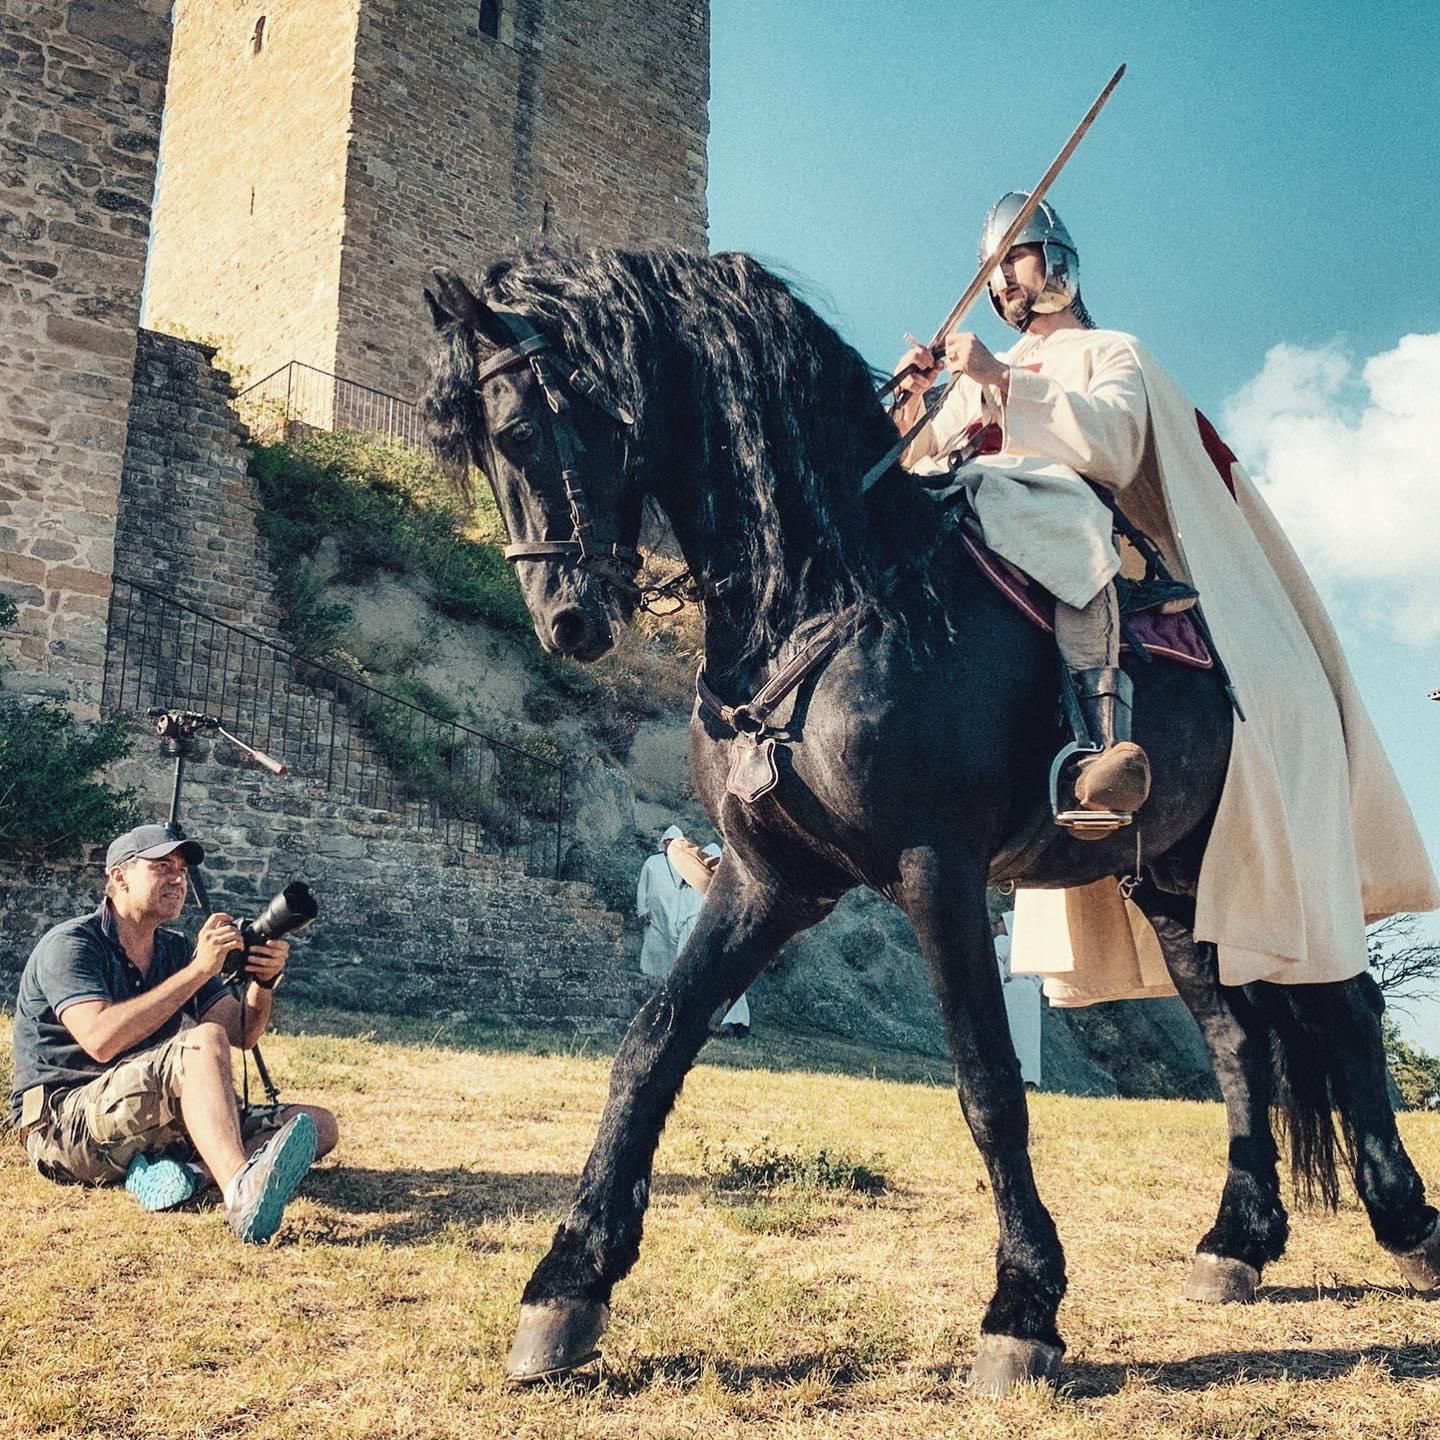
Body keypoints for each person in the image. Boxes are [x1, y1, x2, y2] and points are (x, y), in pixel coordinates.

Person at [893, 192, 1437, 1007]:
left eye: (1015, 256)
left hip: (1060, 513)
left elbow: (1110, 446)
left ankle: (1093, 740)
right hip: (971, 513)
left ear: (1058, 263)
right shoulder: (964, 385)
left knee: (1062, 522)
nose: (1001, 279)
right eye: (991, 267)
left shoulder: (1113, 350)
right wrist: (913, 403)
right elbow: (908, 469)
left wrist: (1000, 379)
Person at [9, 824, 339, 1243]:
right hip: (63, 1129)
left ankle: (191, 1175)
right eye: (162, 866)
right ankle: (241, 1190)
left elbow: (242, 1032)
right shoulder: (71, 944)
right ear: (119, 876)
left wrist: (263, 982)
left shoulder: (176, 950)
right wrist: (200, 970)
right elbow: (99, 1039)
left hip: (147, 1118)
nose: (177, 878)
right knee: (202, 1040)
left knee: (316, 1125)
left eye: (182, 870)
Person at [668, 839, 751, 1037]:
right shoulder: (688, 889)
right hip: (696, 938)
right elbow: (679, 918)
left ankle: (734, 1022)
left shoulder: (727, 892)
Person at [993, 912, 1041, 1088]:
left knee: (1013, 1035)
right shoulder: (1031, 948)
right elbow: (1041, 975)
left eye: (1000, 922)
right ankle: (1029, 1076)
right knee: (1029, 1038)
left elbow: (996, 962)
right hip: (1030, 994)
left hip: (1011, 991)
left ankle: (1012, 1075)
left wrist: (997, 986)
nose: (997, 926)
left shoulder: (1003, 942)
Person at [635, 823, 688, 978]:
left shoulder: (685, 863)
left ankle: (670, 975)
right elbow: (642, 886)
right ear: (664, 842)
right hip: (654, 911)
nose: (670, 844)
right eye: (668, 841)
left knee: (674, 941)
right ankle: (649, 972)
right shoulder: (651, 861)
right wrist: (642, 909)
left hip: (676, 909)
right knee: (654, 940)